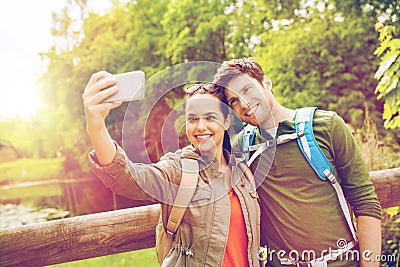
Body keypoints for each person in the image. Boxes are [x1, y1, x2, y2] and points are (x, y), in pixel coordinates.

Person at [213, 58, 382, 267]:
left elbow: (365, 202)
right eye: (234, 101)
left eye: (247, 90)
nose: (244, 104)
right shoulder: (241, 148)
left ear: (266, 83)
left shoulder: (327, 126)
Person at [82, 71, 262, 267]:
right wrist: (96, 127)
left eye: (210, 117)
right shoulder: (179, 169)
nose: (200, 127)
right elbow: (130, 178)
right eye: (193, 119)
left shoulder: (242, 172)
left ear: (226, 121)